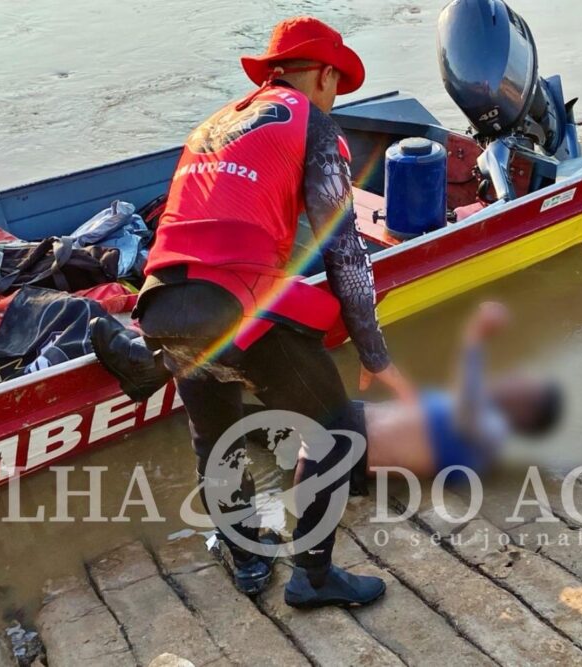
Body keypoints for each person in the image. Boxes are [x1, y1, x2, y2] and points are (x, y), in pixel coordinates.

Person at [93, 16, 411, 609]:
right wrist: (374, 353)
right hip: (237, 306)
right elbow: (342, 251)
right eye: (335, 83)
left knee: (215, 441)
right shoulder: (313, 125)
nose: (335, 96)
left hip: (161, 298)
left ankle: (246, 559)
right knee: (337, 432)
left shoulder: (212, 126)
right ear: (320, 75)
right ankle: (313, 577)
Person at [353, 302, 562, 481]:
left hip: (347, 447)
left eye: (524, 384)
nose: (517, 375)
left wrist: (475, 337)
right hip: (352, 421)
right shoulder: (482, 418)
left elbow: (468, 410)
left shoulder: (490, 436)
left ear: (526, 411)